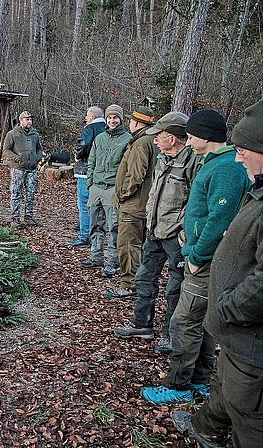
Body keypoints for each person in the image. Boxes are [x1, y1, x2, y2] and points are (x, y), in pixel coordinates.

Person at [141, 109, 250, 405]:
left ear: (205, 136)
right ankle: (200, 380)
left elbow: (220, 217)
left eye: (190, 136)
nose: (187, 142)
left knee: (185, 320)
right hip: (203, 255)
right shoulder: (215, 163)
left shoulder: (226, 168)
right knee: (201, 321)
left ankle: (178, 384)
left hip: (205, 261)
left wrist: (196, 255)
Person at [172, 99, 263, 448]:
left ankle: (182, 386)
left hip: (249, 336)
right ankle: (207, 427)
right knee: (226, 388)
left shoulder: (226, 169)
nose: (238, 159)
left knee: (249, 414)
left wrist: (226, 308)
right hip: (237, 339)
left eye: (244, 151)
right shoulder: (253, 186)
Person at [113, 112, 200, 355]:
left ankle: (170, 335)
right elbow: (155, 194)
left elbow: (195, 202)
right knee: (144, 278)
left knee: (175, 288)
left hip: (175, 236)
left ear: (172, 138)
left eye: (159, 136)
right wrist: (151, 220)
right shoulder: (163, 158)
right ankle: (142, 324)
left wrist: (181, 228)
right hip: (154, 232)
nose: (154, 140)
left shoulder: (193, 162)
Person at [106, 106, 158, 298]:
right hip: (144, 205)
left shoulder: (140, 143)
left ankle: (129, 286)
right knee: (140, 246)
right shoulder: (153, 140)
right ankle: (140, 284)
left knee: (128, 246)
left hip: (134, 206)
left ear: (136, 123)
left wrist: (122, 195)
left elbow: (136, 175)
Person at [80, 104, 131, 277]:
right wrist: (90, 183)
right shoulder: (100, 138)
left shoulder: (127, 139)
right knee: (95, 224)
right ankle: (96, 257)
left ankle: (112, 262)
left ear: (121, 119)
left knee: (114, 227)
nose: (112, 120)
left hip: (112, 189)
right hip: (96, 188)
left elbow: (128, 167)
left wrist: (120, 189)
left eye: (115, 117)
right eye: (109, 118)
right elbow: (91, 161)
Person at [68, 106, 106, 247]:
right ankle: (95, 235)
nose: (85, 118)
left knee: (84, 204)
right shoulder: (109, 128)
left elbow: (83, 146)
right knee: (99, 206)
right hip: (102, 173)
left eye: (87, 116)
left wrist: (78, 158)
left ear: (92, 117)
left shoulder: (89, 129)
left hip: (85, 171)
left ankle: (84, 236)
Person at [2, 110, 45, 228]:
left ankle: (28, 217)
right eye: (27, 119)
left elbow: (40, 149)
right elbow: (6, 150)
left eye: (31, 119)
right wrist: (17, 158)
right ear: (21, 121)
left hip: (32, 168)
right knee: (16, 193)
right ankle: (15, 219)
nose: (29, 121)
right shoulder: (12, 134)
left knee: (30, 193)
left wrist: (37, 157)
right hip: (18, 169)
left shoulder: (35, 134)